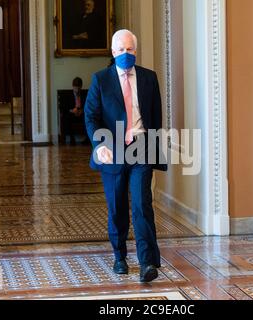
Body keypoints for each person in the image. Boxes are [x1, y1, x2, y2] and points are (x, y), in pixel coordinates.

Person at [85, 29, 167, 282]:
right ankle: (119, 256)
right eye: (120, 50)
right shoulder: (101, 79)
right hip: (112, 149)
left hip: (141, 146)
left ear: (135, 51)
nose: (125, 54)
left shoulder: (148, 78)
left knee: (142, 203)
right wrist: (100, 144)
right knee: (117, 206)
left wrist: (154, 149)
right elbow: (91, 116)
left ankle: (146, 263)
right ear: (113, 52)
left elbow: (155, 117)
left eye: (129, 49)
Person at [61, 77, 88, 145]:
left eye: (79, 88)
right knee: (66, 117)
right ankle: (72, 139)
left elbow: (88, 105)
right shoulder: (67, 95)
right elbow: (63, 108)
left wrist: (82, 110)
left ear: (81, 87)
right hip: (72, 114)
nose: (77, 90)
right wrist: (72, 110)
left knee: (88, 117)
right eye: (76, 88)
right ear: (73, 86)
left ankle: (87, 139)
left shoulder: (85, 94)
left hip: (82, 113)